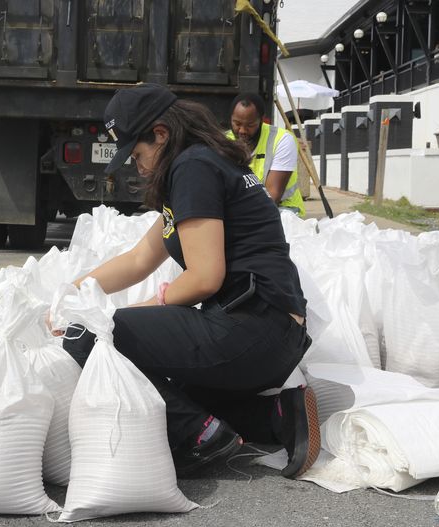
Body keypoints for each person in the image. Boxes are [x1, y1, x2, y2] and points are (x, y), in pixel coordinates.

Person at [59, 84, 319, 479]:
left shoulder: (192, 168)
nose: (137, 165)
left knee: (88, 336)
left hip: (252, 326)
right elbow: (140, 259)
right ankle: (278, 416)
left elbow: (204, 278)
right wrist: (68, 294)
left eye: (138, 153)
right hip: (273, 333)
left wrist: (106, 319)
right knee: (169, 393)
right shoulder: (205, 163)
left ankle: (200, 437)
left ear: (161, 135)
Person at [227, 93, 305, 217]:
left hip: (284, 209)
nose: (242, 131)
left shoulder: (282, 140)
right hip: (241, 209)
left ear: (262, 121)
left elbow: (272, 195)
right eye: (237, 124)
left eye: (250, 125)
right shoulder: (224, 141)